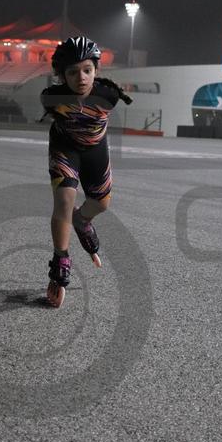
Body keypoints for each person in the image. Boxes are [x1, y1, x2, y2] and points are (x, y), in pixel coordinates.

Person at [40, 36, 132, 307]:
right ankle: (61, 259)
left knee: (101, 204)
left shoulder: (108, 95)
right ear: (62, 75)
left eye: (87, 70)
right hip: (65, 147)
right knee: (64, 201)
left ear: (96, 71)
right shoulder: (52, 98)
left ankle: (82, 221)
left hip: (95, 149)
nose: (81, 78)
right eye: (72, 72)